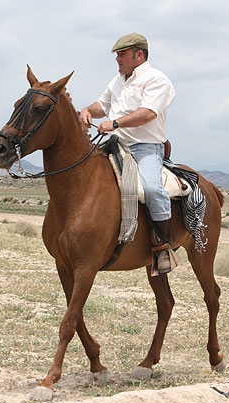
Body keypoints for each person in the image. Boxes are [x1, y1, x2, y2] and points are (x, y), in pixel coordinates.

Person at [80, 32, 176, 274]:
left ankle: (163, 246)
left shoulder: (157, 80)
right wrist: (87, 110)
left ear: (139, 55)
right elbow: (102, 106)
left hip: (146, 147)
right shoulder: (117, 81)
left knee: (151, 189)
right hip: (115, 144)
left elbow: (148, 113)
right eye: (117, 55)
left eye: (122, 54)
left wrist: (114, 123)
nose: (118, 59)